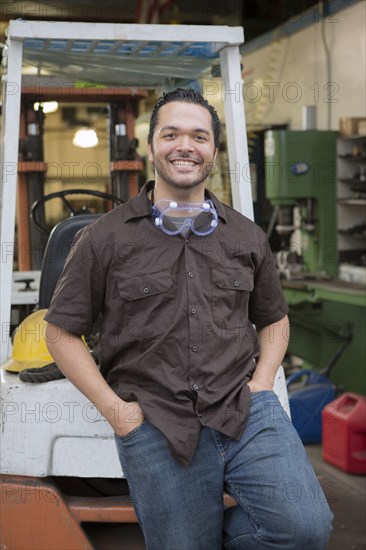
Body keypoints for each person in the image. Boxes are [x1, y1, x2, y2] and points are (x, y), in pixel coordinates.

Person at [45, 88, 333, 550]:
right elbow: (60, 332)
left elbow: (275, 321)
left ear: (214, 151)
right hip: (157, 420)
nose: (185, 146)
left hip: (243, 410)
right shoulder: (105, 238)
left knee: (305, 528)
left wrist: (261, 384)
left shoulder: (246, 235)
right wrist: (119, 414)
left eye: (199, 136)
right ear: (151, 146)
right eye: (171, 133)